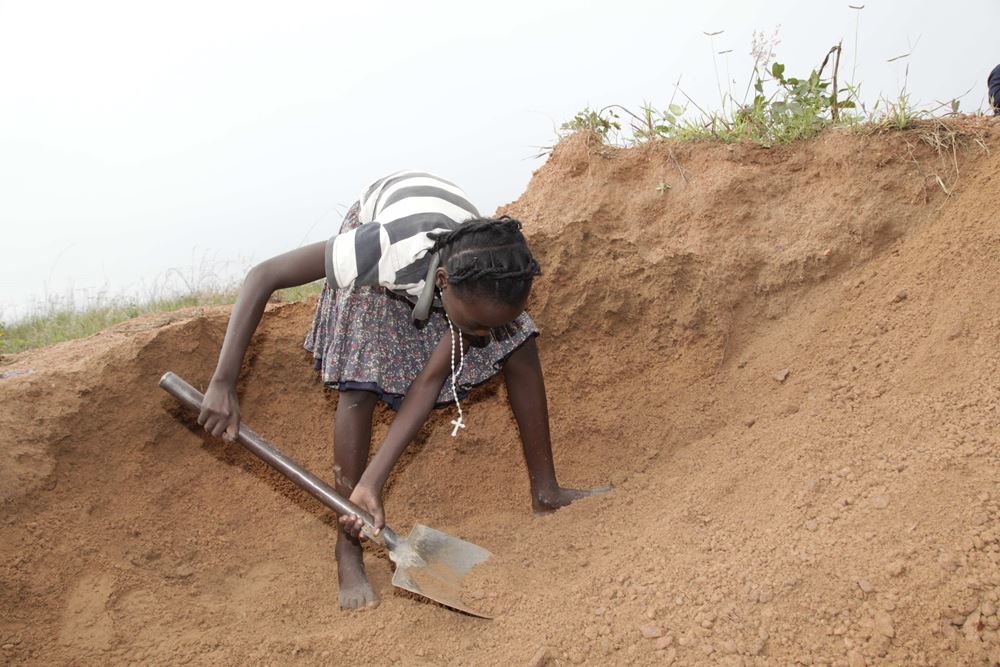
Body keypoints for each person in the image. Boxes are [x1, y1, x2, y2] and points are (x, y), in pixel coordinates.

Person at [197, 170, 604, 609]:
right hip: (385, 233)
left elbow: (429, 381)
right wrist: (223, 383)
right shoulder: (380, 250)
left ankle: (546, 491)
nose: (484, 339)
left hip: (449, 259)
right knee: (361, 382)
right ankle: (347, 545)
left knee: (519, 344)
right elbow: (264, 275)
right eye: (477, 326)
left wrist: (378, 479)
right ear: (444, 282)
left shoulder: (494, 262)